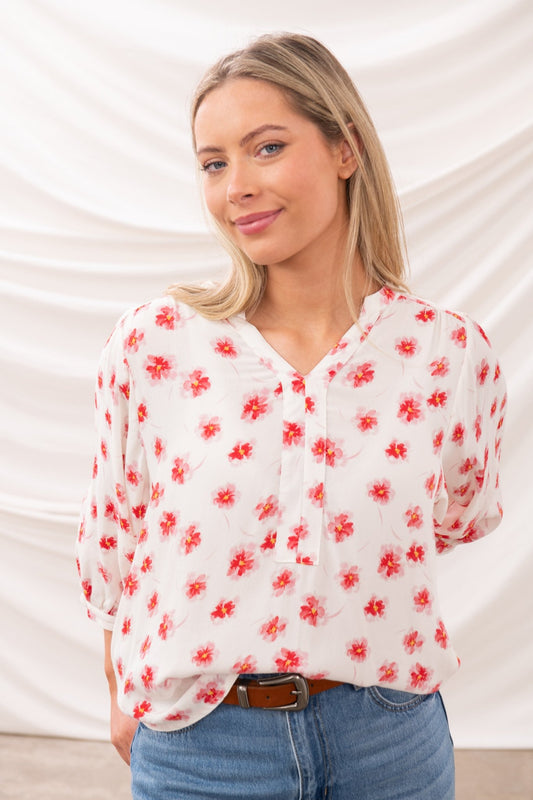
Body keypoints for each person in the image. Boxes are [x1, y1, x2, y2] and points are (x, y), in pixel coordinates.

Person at [76, 32, 506, 800]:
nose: (236, 186)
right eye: (214, 163)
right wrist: (118, 685)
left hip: (389, 741)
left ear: (345, 149)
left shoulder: (445, 351)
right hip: (202, 744)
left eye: (266, 148)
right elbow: (115, 530)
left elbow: (461, 512)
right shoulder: (157, 342)